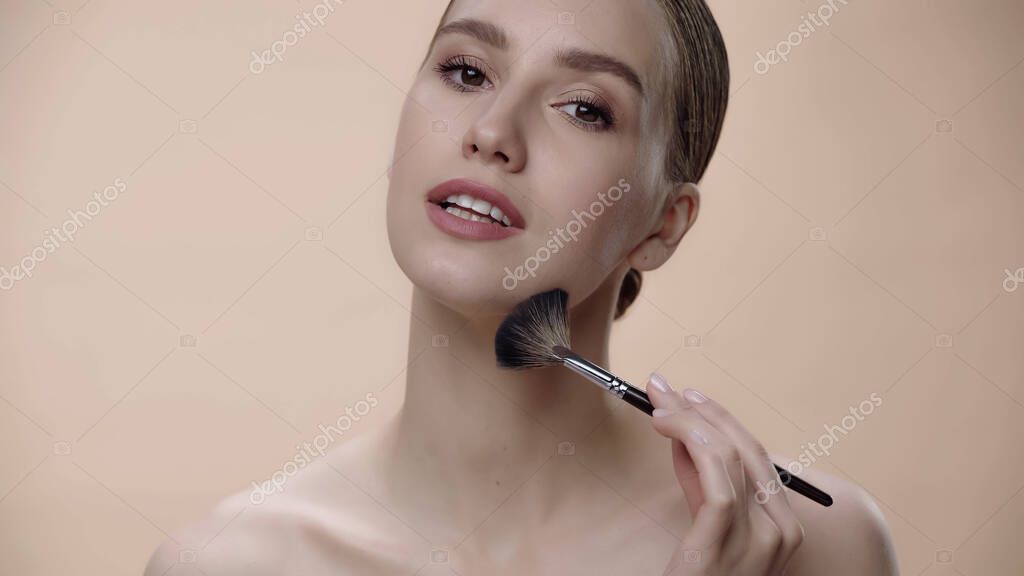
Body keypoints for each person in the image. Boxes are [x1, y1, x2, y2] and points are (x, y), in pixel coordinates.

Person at [145, 0, 899, 573]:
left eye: (584, 109)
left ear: (663, 224)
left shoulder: (816, 547)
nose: (492, 131)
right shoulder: (226, 563)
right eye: (466, 72)